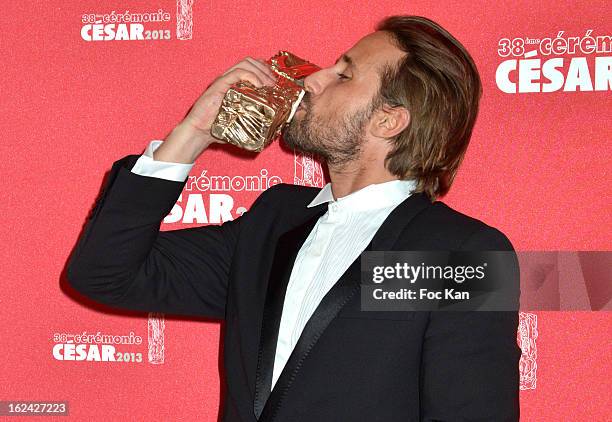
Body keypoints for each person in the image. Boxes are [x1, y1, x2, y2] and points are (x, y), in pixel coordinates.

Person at [67, 15, 521, 422]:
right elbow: (106, 274)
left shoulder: (461, 254)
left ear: (388, 121)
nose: (313, 80)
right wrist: (192, 133)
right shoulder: (274, 222)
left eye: (344, 75)